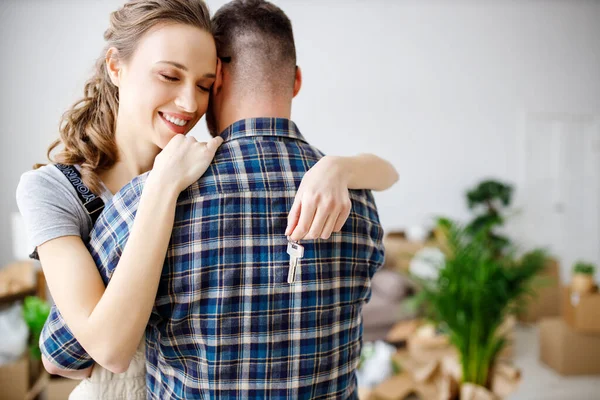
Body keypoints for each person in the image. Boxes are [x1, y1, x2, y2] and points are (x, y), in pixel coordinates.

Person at [16, 0, 397, 398]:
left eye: (203, 85)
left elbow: (63, 352)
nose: (189, 104)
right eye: (168, 76)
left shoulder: (188, 183)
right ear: (115, 66)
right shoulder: (62, 190)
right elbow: (78, 353)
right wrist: (162, 187)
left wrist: (341, 168)